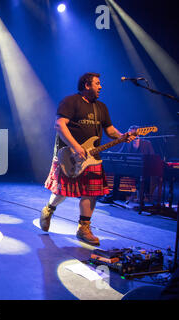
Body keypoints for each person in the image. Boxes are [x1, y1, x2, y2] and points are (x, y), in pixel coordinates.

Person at [41, 72, 135, 246]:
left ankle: (83, 228)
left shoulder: (101, 107)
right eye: (97, 83)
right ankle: (49, 209)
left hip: (92, 157)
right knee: (62, 191)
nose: (101, 87)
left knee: (91, 192)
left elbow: (110, 130)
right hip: (69, 155)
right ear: (87, 85)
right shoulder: (70, 101)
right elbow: (59, 125)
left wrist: (123, 136)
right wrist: (76, 147)